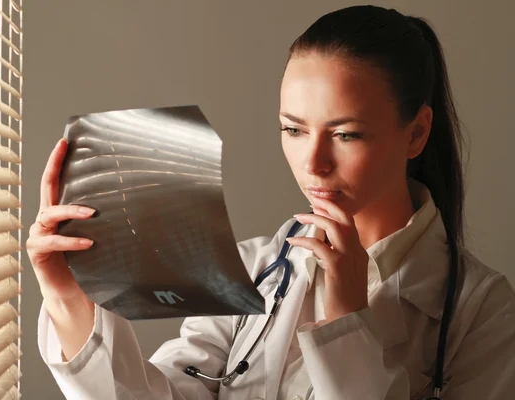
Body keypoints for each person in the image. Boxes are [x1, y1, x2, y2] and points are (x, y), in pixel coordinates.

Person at [28, 5, 515, 399]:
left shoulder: (484, 311)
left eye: (346, 134)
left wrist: (346, 320)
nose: (314, 162)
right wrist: (68, 295)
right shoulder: (252, 269)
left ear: (417, 133)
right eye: (293, 129)